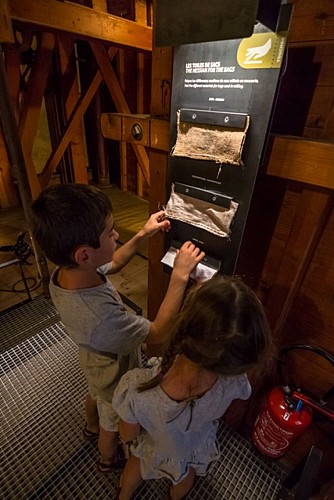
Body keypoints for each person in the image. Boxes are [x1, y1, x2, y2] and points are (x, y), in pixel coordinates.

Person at [30, 183, 205, 474]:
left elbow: (114, 262)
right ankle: (107, 460)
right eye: (110, 231)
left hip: (92, 361)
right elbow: (159, 331)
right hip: (114, 375)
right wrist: (180, 276)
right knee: (111, 421)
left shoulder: (70, 273)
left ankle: (88, 427)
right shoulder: (101, 318)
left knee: (93, 394)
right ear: (84, 254)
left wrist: (143, 233)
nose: (116, 234)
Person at [112, 275, 275, 500]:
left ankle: (124, 495)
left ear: (184, 325)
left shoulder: (136, 389)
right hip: (190, 448)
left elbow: (127, 434)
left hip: (154, 444)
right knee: (183, 479)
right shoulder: (234, 384)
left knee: (135, 465)